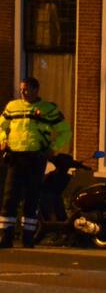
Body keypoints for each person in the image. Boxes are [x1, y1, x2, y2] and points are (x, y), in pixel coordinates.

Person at [0, 78, 71, 248]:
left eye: (26, 89)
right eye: (21, 89)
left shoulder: (48, 109)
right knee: (9, 197)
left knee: (32, 198)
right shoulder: (12, 107)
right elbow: (1, 126)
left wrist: (53, 149)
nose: (23, 92)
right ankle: (5, 237)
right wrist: (3, 141)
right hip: (15, 157)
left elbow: (65, 131)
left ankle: (28, 237)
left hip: (36, 158)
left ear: (36, 90)